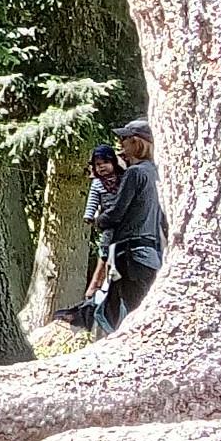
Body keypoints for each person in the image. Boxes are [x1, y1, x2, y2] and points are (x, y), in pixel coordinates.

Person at [95, 118, 164, 330]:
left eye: (124, 140)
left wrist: (99, 220)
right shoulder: (156, 173)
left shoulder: (135, 173)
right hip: (151, 253)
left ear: (136, 143)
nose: (121, 146)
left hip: (130, 254)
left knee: (130, 312)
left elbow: (116, 214)